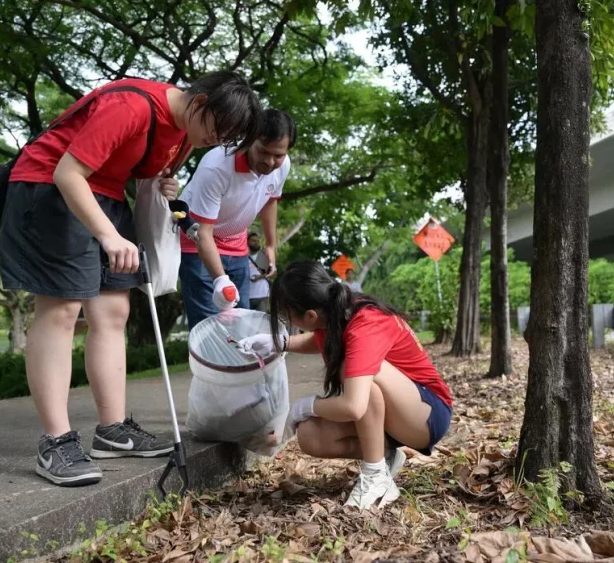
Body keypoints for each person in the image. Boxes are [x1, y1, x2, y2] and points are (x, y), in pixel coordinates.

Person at [0, 72, 261, 487]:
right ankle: (56, 441)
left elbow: (143, 175)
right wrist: (107, 234)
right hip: (49, 187)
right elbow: (69, 173)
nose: (216, 140)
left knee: (115, 309)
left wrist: (164, 184)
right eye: (218, 128)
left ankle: (113, 430)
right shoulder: (133, 106)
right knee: (62, 308)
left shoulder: (187, 133)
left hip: (105, 194)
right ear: (200, 102)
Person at [237, 260, 453, 511]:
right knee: (310, 436)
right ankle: (384, 457)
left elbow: (353, 406)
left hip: (426, 414)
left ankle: (375, 477)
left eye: (288, 316)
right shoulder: (334, 311)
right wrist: (280, 343)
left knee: (361, 379)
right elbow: (319, 338)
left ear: (310, 316)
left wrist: (306, 406)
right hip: (393, 415)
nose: (288, 322)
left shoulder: (365, 323)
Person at [178, 109, 295, 328]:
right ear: (249, 138)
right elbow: (203, 232)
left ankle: (241, 363)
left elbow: (270, 201)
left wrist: (270, 245)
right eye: (263, 151)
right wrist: (220, 280)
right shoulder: (217, 166)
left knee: (241, 322)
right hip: (198, 243)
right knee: (210, 325)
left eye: (278, 155)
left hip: (236, 244)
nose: (270, 162)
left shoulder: (283, 165)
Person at [248, 232, 271, 312]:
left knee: (261, 321)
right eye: (253, 241)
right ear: (247, 241)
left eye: (258, 241)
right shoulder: (242, 256)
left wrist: (260, 277)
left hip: (262, 295)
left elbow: (273, 273)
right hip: (246, 295)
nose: (256, 243)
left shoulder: (263, 256)